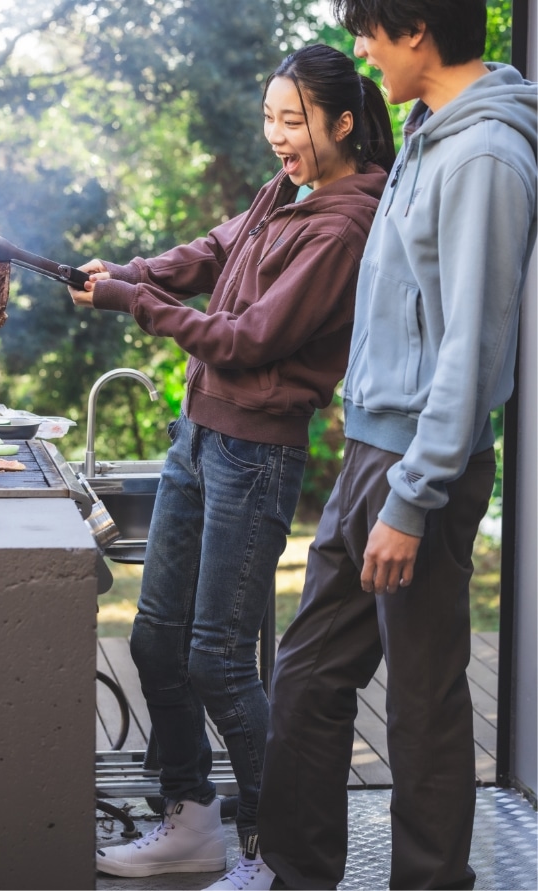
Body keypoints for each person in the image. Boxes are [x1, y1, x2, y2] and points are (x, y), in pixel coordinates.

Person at [69, 43, 395, 889]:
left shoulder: (344, 225)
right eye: (268, 119)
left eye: (293, 121)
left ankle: (269, 847)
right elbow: (215, 249)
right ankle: (191, 819)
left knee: (217, 657)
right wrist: (133, 272)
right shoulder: (286, 193)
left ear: (343, 124)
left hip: (256, 452)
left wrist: (134, 301)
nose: (276, 136)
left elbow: (250, 340)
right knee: (155, 641)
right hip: (198, 434)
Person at [257, 3, 537, 890]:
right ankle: (296, 873)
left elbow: (472, 349)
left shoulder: (484, 155)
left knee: (421, 704)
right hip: (370, 453)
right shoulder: (426, 133)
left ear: (415, 28)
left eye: (369, 31)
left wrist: (412, 499)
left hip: (422, 467)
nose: (359, 49)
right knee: (308, 674)